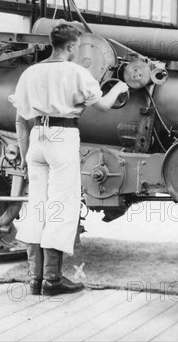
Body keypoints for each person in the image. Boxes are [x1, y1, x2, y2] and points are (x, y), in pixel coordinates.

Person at [11, 23, 129, 296]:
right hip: (62, 137)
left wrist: (22, 152)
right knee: (61, 205)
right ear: (73, 46)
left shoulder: (31, 72)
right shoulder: (77, 72)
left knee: (37, 205)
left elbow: (19, 118)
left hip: (37, 137)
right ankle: (52, 280)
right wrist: (118, 87)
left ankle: (33, 279)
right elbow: (102, 106)